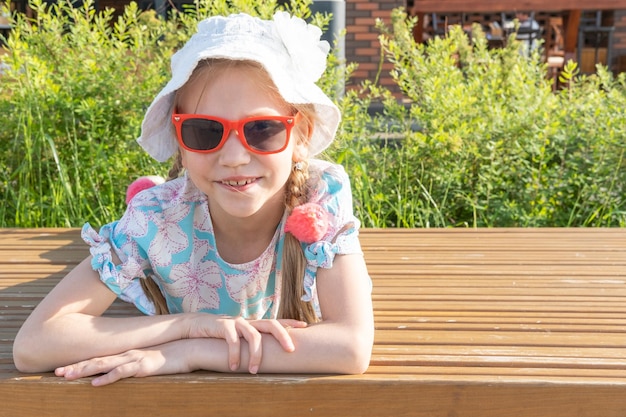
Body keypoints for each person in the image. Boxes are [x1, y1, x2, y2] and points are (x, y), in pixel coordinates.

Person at [13, 11, 374, 386]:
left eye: (262, 130)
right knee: (155, 210)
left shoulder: (318, 196)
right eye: (204, 132)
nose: (234, 158)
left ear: (300, 135)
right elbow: (35, 344)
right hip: (174, 211)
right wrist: (189, 326)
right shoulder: (157, 218)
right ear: (180, 145)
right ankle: (152, 188)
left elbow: (351, 346)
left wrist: (191, 351)